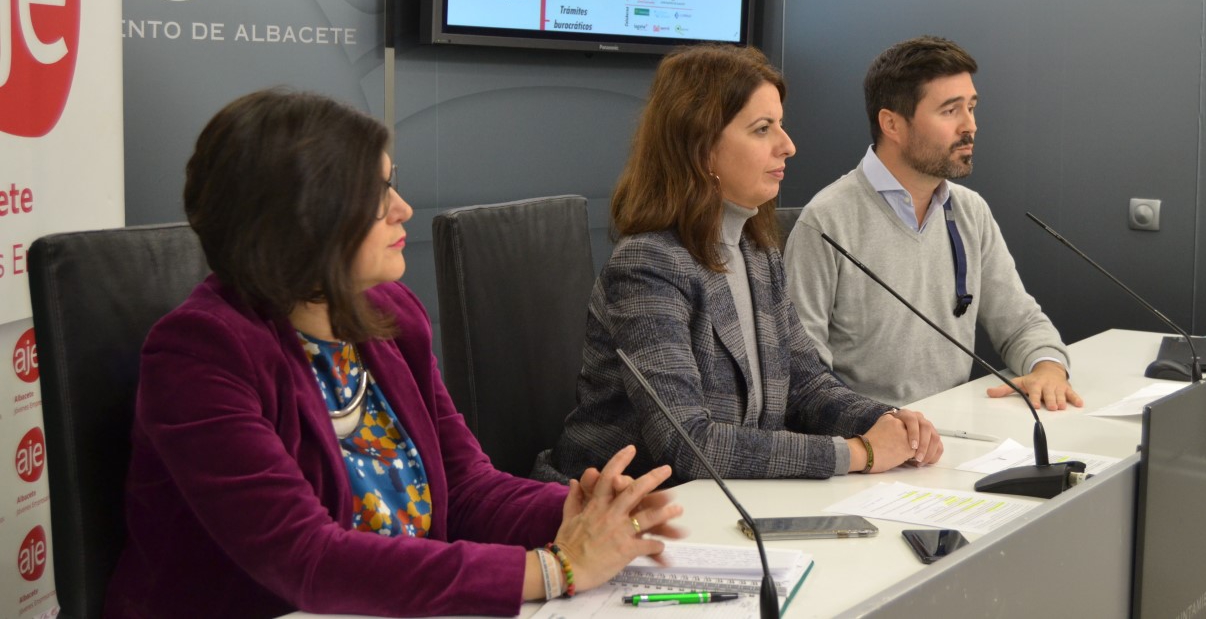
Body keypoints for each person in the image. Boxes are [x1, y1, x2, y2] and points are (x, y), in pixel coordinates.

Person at [104, 89, 683, 619]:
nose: (402, 208)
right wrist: (555, 569)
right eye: (376, 194)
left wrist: (580, 513)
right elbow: (306, 559)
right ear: (302, 216)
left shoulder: (390, 316)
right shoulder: (201, 354)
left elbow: (466, 488)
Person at [535, 45, 943, 486]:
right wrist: (858, 452)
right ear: (701, 146)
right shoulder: (647, 265)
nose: (788, 146)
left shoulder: (757, 254)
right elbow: (689, 444)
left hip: (723, 500)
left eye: (780, 126)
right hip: (620, 505)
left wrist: (887, 421)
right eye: (763, 129)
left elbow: (806, 385)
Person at [784, 36, 1083, 409]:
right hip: (868, 433)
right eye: (950, 111)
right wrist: (876, 426)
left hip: (955, 427)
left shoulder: (970, 211)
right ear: (892, 124)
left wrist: (1048, 368)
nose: (970, 126)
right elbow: (802, 373)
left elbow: (1020, 323)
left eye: (971, 108)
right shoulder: (826, 221)